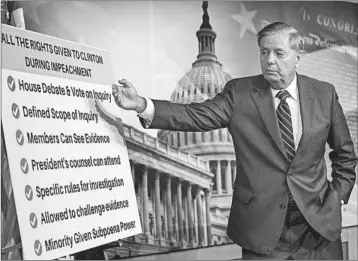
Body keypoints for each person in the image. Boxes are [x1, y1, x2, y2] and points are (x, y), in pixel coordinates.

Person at [111, 22, 357, 260]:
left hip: (317, 228)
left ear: (298, 56)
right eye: (264, 52)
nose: (270, 60)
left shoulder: (324, 93)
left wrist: (337, 198)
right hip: (263, 231)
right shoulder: (239, 93)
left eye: (279, 53)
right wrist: (142, 105)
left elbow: (345, 155)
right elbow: (195, 115)